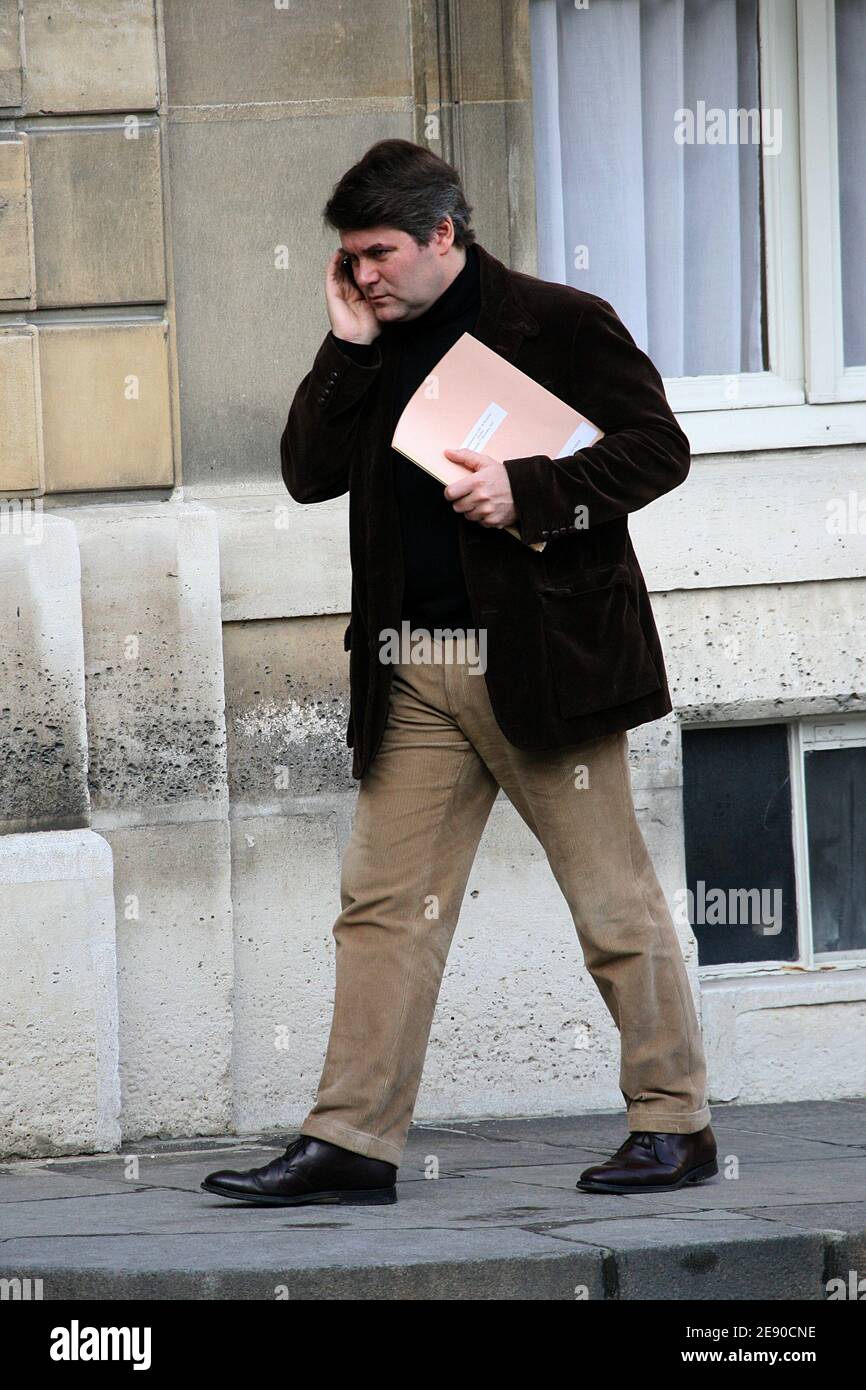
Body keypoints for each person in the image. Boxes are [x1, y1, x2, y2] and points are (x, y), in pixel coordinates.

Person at [201, 139, 716, 1208]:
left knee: (609, 901)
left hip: (545, 662)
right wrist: (343, 345)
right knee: (382, 909)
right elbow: (305, 474)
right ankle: (350, 1141)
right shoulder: (369, 336)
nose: (361, 275)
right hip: (414, 668)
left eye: (377, 254)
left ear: (443, 232)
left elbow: (656, 449)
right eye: (347, 259)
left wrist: (533, 490)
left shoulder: (558, 321)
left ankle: (674, 1124)